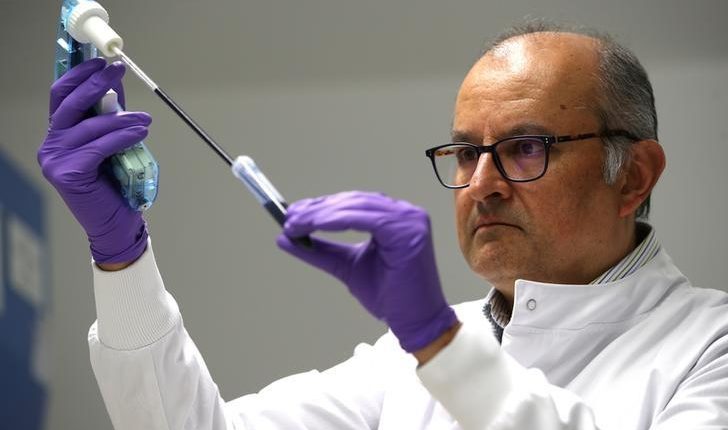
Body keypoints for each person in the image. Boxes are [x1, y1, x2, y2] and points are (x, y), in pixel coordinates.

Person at [38, 22, 728, 429]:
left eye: (525, 148)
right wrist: (121, 256)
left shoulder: (709, 348)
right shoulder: (405, 364)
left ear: (633, 176)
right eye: (466, 153)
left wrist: (439, 342)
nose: (480, 183)